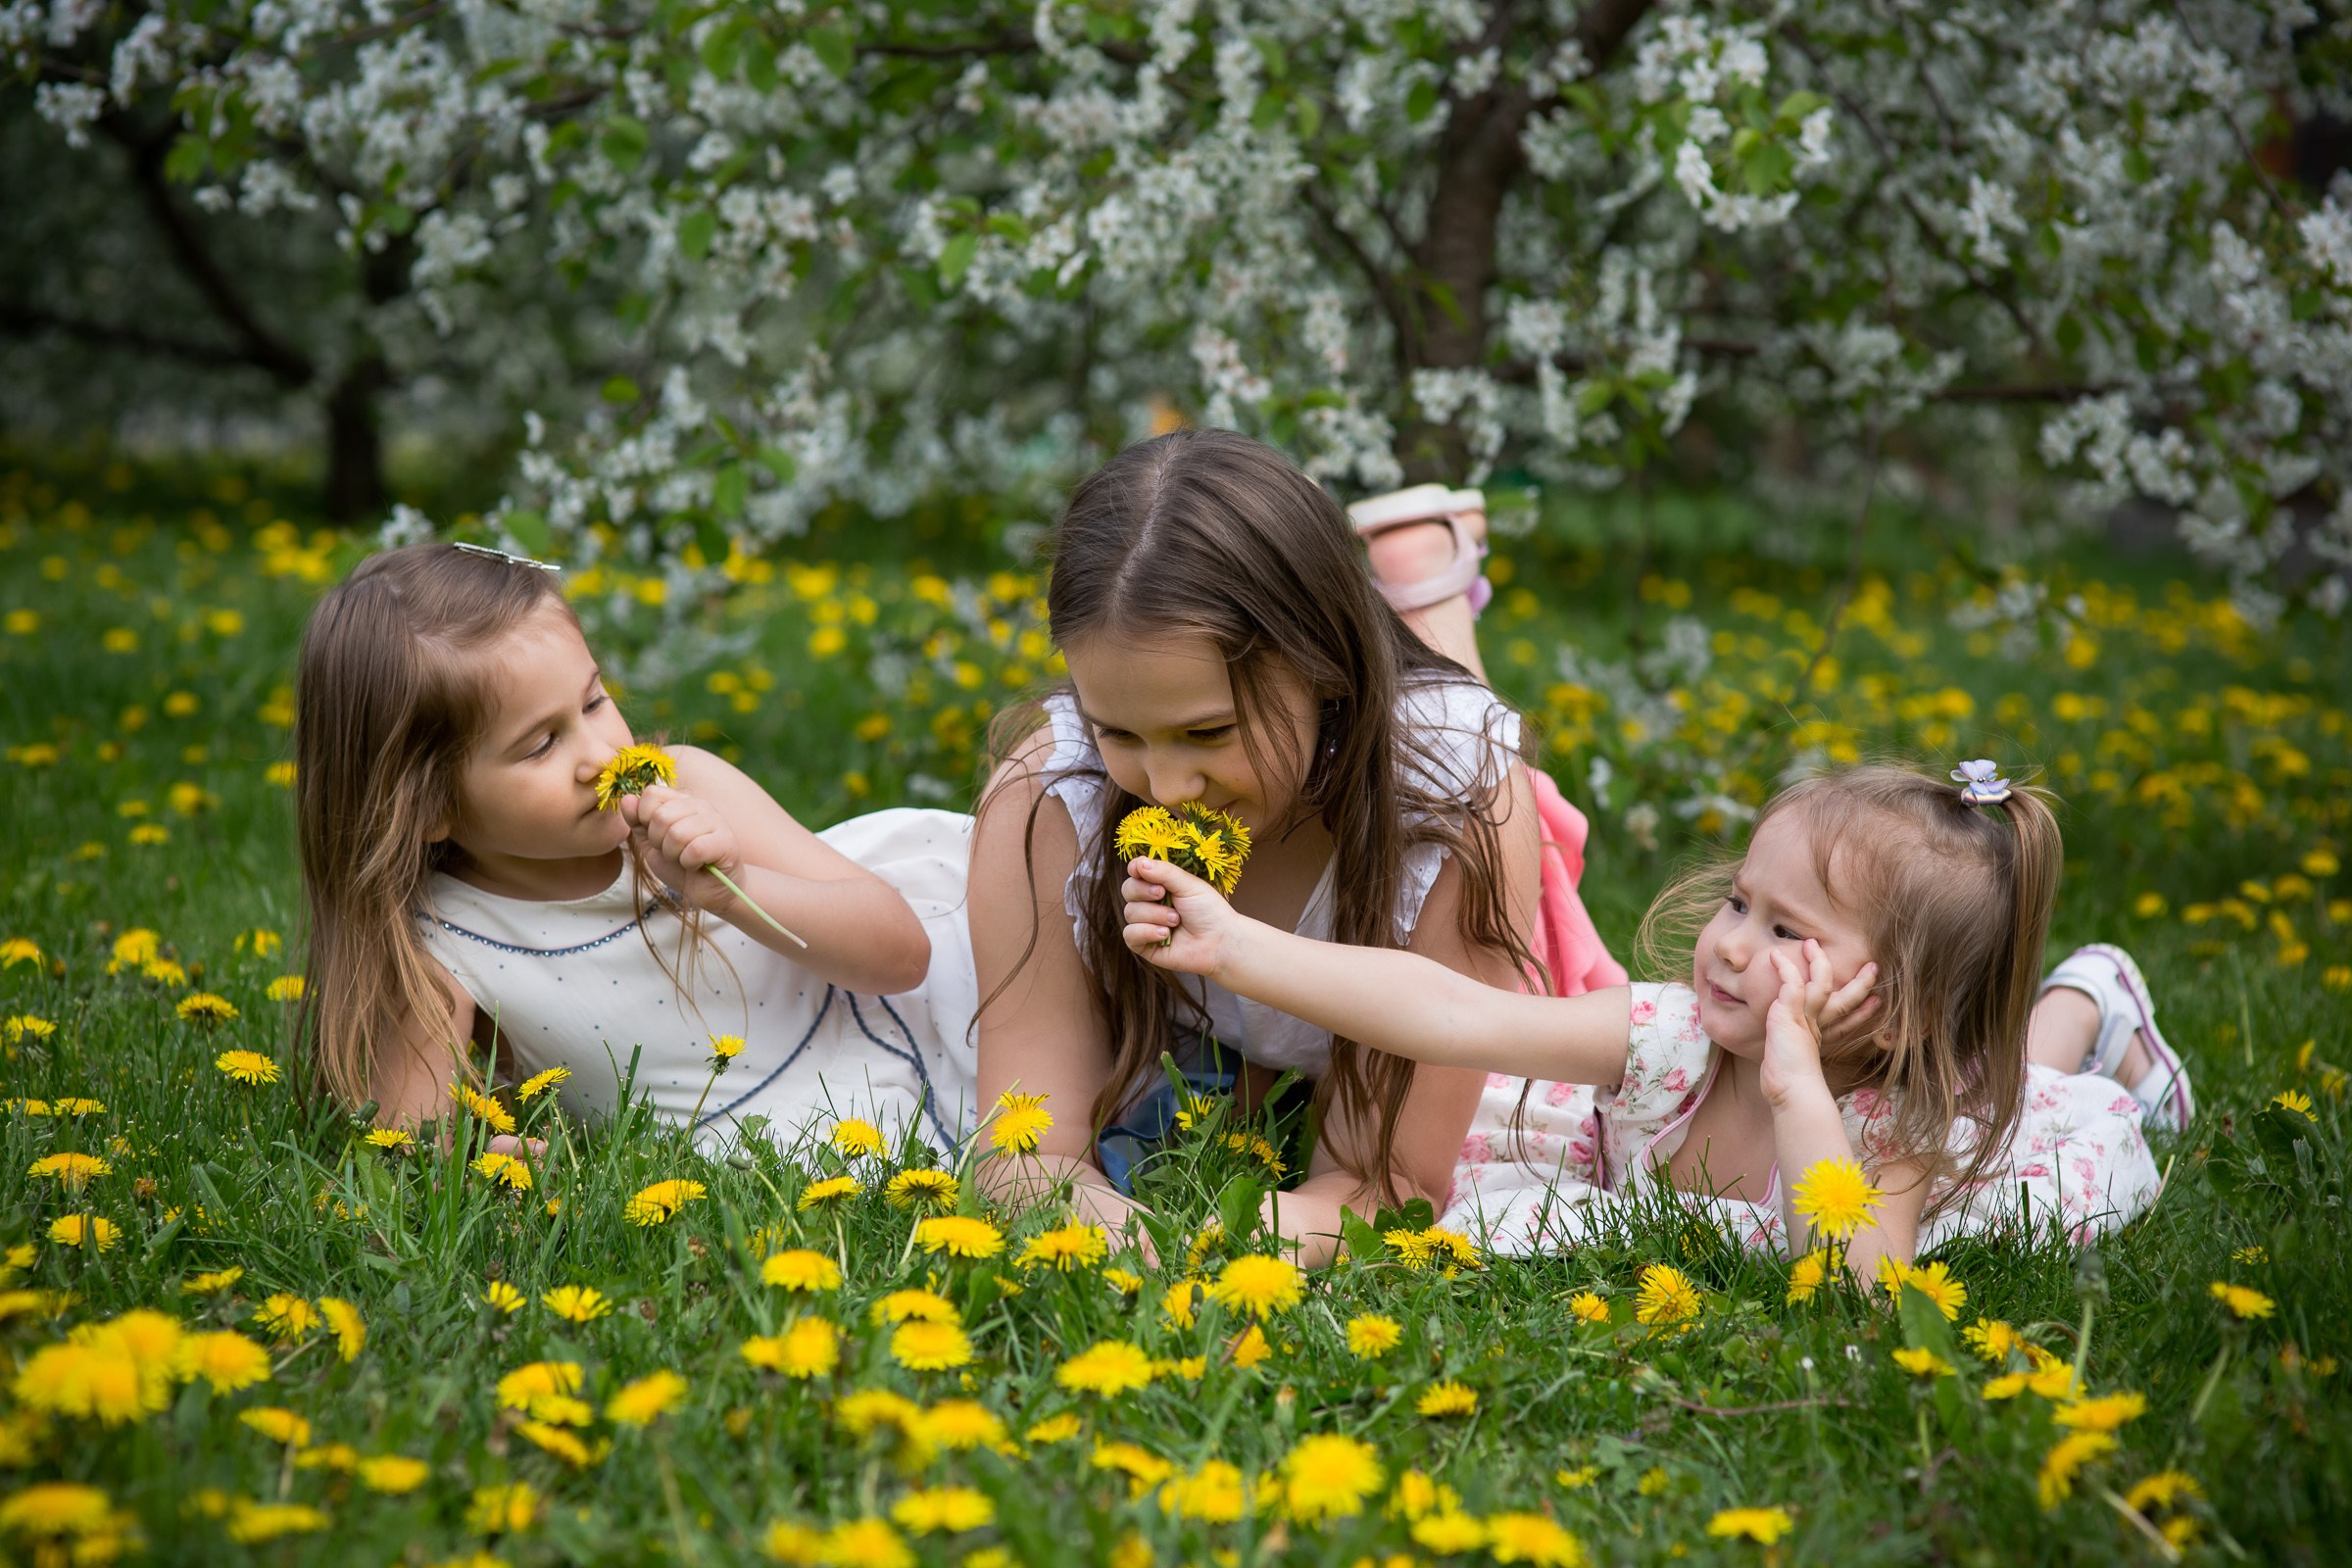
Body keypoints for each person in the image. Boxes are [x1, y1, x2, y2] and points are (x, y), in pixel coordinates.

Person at [966, 431, 1624, 1268]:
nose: (1165, 787)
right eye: (1118, 731)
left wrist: (1221, 1249)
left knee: (1490, 749)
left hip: (1433, 831)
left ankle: (1432, 591)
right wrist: (1127, 1240)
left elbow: (1386, 1181)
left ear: (1323, 670)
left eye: (1208, 731)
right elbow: (1024, 1149)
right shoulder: (1054, 795)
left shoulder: (1457, 802)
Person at [1121, 758, 2184, 1270]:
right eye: (1740, 903)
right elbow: (1452, 1013)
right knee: (2022, 1068)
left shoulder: (1895, 1130)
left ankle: (2086, 1001)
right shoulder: (1672, 1041)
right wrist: (1237, 947)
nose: (1730, 943)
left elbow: (1856, 1292)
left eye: (1786, 931)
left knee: (2042, 1086)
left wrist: (1797, 1089)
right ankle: (2085, 999)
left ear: (1894, 1006)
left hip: (1967, 1111)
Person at [291, 542, 977, 1150]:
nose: (601, 755)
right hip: (778, 1136)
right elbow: (406, 1147)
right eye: (541, 744)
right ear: (430, 807)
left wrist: (736, 890)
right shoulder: (445, 947)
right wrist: (482, 1164)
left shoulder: (691, 784)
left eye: (594, 702)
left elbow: (904, 956)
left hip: (914, 1016)